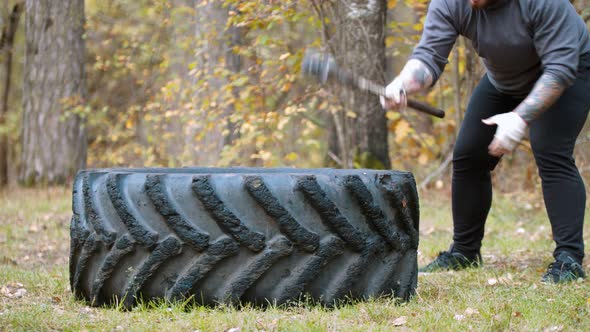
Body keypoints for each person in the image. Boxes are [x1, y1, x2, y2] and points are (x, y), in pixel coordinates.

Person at [381, 0, 590, 283]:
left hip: (569, 73)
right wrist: (403, 83)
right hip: (505, 81)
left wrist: (519, 118)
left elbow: (560, 70)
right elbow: (429, 56)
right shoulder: (451, 3)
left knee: (550, 150)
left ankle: (569, 259)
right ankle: (465, 252)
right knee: (469, 154)